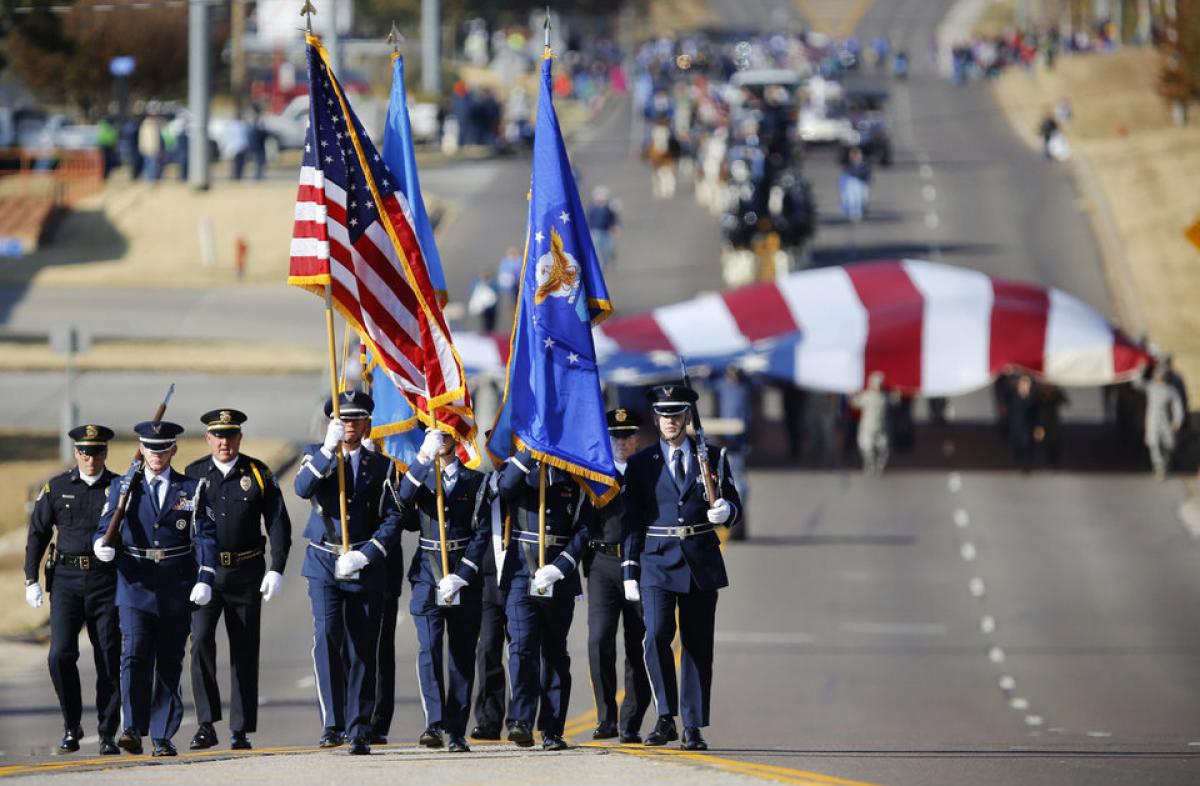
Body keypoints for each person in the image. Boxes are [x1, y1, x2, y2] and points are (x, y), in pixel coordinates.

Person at [623, 384, 741, 751]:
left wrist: (726, 511)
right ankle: (664, 717)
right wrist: (629, 568)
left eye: (676, 414)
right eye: (664, 415)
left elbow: (734, 504)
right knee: (656, 634)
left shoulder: (715, 457)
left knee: (696, 646)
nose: (670, 421)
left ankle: (692, 725)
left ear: (688, 417)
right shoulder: (642, 464)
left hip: (699, 560)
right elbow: (632, 519)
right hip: (656, 559)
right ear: (656, 420)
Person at [92, 421, 217, 757]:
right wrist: (100, 545)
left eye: (163, 448)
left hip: (176, 583)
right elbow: (106, 525)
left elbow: (205, 534)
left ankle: (162, 734)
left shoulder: (191, 488)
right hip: (135, 582)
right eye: (150, 447)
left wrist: (205, 576)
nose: (156, 454)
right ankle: (132, 727)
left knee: (169, 660)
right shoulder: (122, 485)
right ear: (141, 448)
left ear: (173, 450)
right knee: (133, 655)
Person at [294, 391, 403, 755]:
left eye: (357, 419)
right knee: (327, 637)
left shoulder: (383, 466)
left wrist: (367, 554)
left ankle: (359, 727)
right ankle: (333, 723)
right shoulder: (316, 455)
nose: (351, 425)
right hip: (324, 560)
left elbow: (392, 518)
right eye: (345, 419)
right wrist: (327, 450)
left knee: (362, 647)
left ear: (367, 424)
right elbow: (302, 488)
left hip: (363, 564)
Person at [186, 409, 292, 752]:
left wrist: (277, 567)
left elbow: (278, 522)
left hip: (246, 572)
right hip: (206, 574)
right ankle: (206, 723)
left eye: (230, 435)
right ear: (208, 439)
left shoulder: (258, 473)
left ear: (239, 438)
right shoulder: (194, 474)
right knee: (200, 641)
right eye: (217, 435)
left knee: (244, 649)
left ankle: (240, 728)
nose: (224, 442)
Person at [24, 425, 121, 755]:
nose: (89, 458)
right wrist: (30, 579)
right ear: (76, 453)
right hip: (66, 579)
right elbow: (38, 533)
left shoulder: (120, 487)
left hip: (106, 581)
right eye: (83, 451)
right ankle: (71, 724)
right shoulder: (58, 486)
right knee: (60, 655)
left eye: (95, 452)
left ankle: (108, 731)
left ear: (104, 453)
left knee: (109, 657)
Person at [397, 429, 491, 753]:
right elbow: (403, 498)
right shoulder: (420, 474)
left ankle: (456, 730)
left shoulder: (476, 481)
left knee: (462, 654)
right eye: (435, 433)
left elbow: (482, 534)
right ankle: (433, 723)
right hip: (427, 572)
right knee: (429, 646)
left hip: (463, 574)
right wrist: (423, 458)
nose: (441, 438)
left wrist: (463, 574)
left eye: (447, 433)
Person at [496, 447, 594, 751]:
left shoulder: (575, 473)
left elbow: (586, 525)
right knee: (522, 646)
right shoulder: (519, 467)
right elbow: (503, 489)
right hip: (521, 571)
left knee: (554, 651)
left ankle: (552, 728)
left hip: (558, 573)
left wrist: (562, 566)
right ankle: (520, 721)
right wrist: (528, 456)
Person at [586, 409, 651, 743]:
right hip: (602, 562)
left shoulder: (647, 471)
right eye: (614, 436)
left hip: (638, 565)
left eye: (626, 436)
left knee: (637, 644)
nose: (621, 443)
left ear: (637, 440)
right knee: (599, 640)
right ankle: (605, 717)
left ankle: (631, 721)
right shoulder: (595, 472)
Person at [469, 469, 508, 741]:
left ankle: (522, 717)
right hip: (487, 573)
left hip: (519, 571)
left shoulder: (525, 474)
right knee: (487, 649)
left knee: (522, 650)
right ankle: (488, 719)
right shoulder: (478, 479)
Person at [1144, 365, 1185, 479]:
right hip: (1152, 420)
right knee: (1154, 443)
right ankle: (1159, 467)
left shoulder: (1171, 390)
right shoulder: (1151, 387)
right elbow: (1137, 384)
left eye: (1161, 375)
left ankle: (1167, 463)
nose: (1158, 377)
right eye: (1157, 375)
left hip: (1166, 421)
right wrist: (1140, 370)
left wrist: (1177, 420)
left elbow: (1177, 407)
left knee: (1169, 444)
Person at [852, 371, 891, 474]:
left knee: (883, 449)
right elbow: (855, 403)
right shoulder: (867, 396)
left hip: (881, 427)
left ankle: (879, 466)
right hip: (867, 426)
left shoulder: (884, 397)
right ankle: (870, 464)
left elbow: (893, 402)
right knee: (866, 447)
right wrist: (853, 395)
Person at [1009, 375, 1040, 474]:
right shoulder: (1014, 396)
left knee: (1027, 445)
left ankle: (1026, 466)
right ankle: (1019, 463)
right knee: (1018, 445)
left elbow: (1036, 414)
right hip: (1016, 425)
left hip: (1028, 427)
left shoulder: (1033, 398)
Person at [587, 186, 620, 270]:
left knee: (609, 249)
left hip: (606, 231)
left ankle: (608, 262)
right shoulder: (592, 207)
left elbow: (614, 218)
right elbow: (589, 219)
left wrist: (615, 227)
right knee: (597, 250)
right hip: (595, 231)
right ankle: (600, 266)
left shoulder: (609, 207)